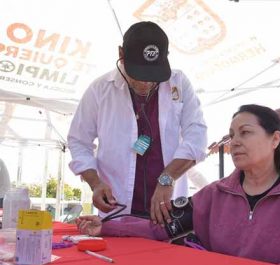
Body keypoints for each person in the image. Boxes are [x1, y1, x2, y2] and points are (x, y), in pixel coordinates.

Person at [76, 104, 280, 265]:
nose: (234, 142)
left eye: (245, 133)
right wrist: (107, 226)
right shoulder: (216, 194)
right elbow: (162, 226)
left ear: (275, 139)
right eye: (232, 135)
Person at [67, 21, 207, 225]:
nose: (145, 83)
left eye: (152, 75)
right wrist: (95, 183)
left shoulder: (179, 83)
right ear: (121, 54)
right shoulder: (100, 89)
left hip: (168, 213)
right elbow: (79, 141)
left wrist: (167, 178)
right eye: (138, 74)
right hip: (116, 213)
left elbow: (197, 138)